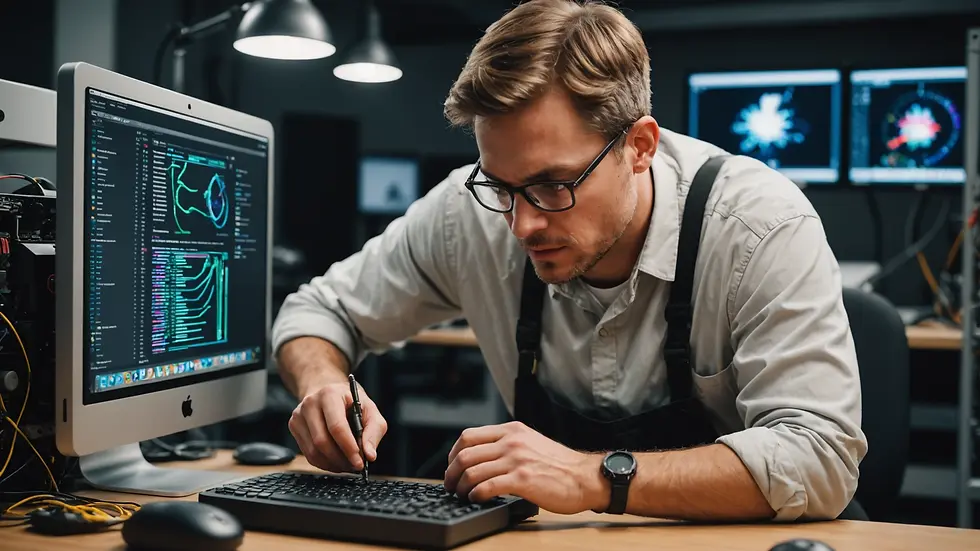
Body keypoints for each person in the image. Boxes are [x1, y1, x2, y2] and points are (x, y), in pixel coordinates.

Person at [272, 0, 867, 522]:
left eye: (554, 185)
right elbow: (317, 310)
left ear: (639, 146)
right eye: (501, 185)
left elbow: (818, 458)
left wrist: (590, 477)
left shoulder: (758, 228)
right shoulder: (469, 211)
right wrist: (323, 385)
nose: (522, 223)